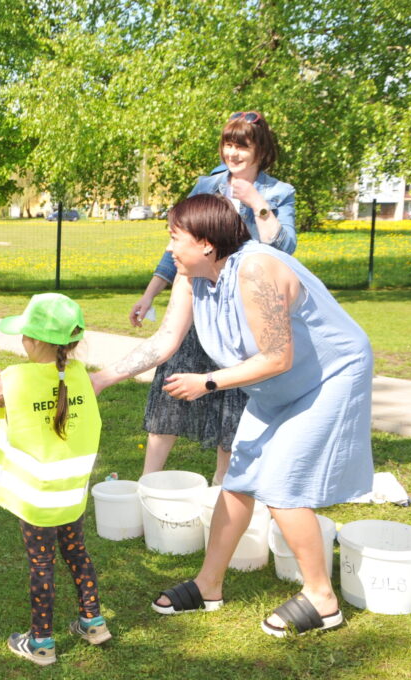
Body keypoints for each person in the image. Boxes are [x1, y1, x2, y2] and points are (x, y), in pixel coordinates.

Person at [94, 194, 373, 636]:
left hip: (328, 377)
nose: (168, 249)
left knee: (282, 482)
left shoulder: (257, 270)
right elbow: (165, 341)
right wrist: (102, 379)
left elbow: (278, 356)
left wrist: (208, 382)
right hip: (274, 384)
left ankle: (322, 600)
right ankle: (209, 585)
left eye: (174, 237)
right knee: (239, 479)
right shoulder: (194, 276)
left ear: (206, 243)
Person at [0, 293, 110, 665]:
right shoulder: (77, 373)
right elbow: (34, 389)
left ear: (31, 340)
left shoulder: (16, 378)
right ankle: (94, 622)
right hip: (69, 491)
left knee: (41, 564)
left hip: (36, 495)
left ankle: (42, 644)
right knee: (77, 551)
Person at [129, 111, 296, 484]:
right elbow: (179, 242)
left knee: (233, 400)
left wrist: (257, 203)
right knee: (169, 388)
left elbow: (284, 248)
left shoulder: (278, 193)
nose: (232, 153)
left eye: (242, 145)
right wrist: (150, 294)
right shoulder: (207, 184)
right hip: (198, 301)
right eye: (228, 144)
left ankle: (220, 491)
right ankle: (147, 483)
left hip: (242, 312)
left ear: (260, 148)